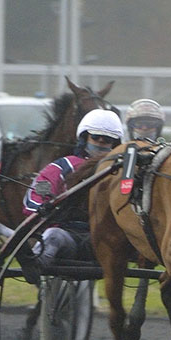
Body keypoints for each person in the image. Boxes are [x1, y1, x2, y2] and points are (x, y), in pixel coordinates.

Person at [19, 109, 124, 282]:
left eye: (107, 140)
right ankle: (36, 264)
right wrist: (41, 207)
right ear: (84, 139)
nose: (100, 143)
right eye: (95, 137)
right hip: (69, 237)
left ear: (115, 144)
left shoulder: (121, 171)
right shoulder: (63, 166)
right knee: (53, 235)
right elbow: (39, 190)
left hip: (104, 239)